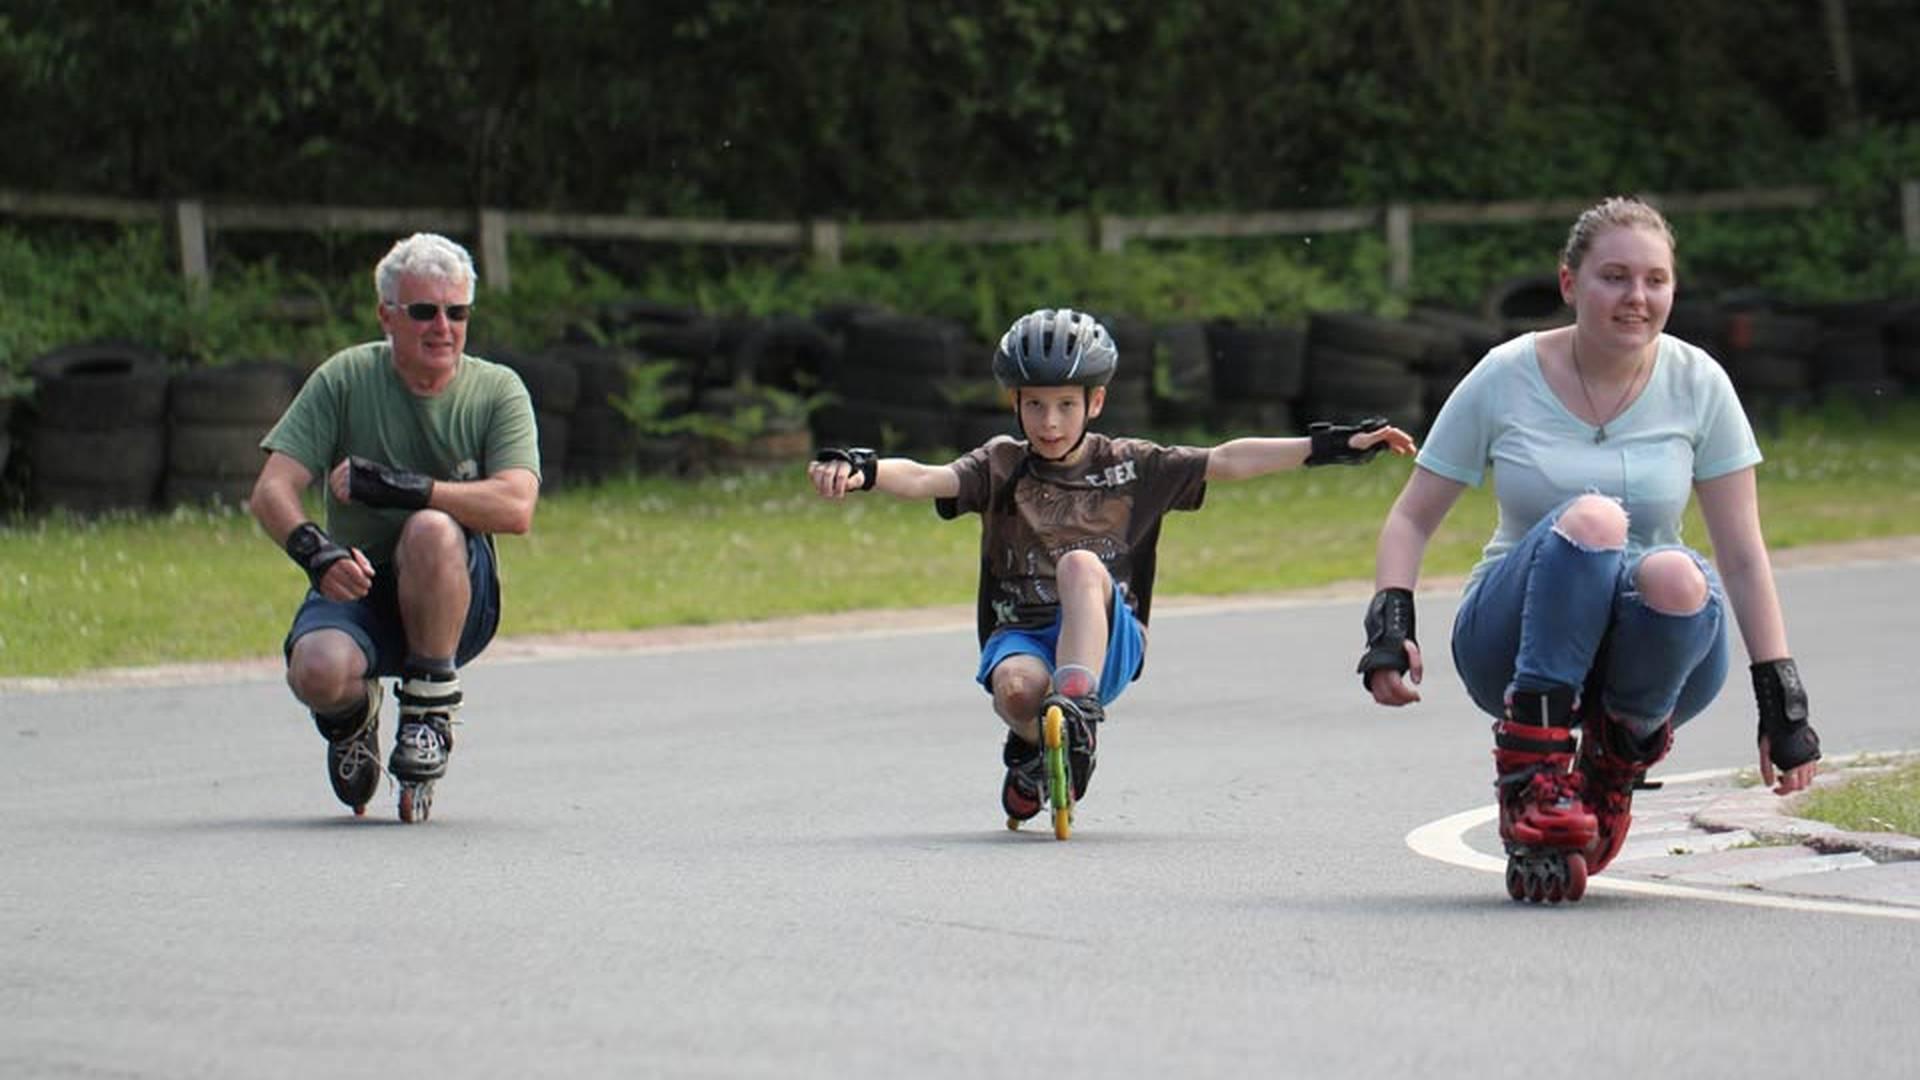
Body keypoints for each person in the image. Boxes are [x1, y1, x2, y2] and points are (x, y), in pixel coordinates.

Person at [1356, 197, 1822, 901]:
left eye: (1655, 280)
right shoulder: (1504, 374)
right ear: (1570, 284)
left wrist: (1782, 704)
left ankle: (1615, 764)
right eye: (1614, 277)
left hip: (1654, 653)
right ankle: (1532, 771)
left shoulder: (1700, 383)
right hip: (1511, 645)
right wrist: (1391, 626)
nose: (1637, 298)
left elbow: (1745, 555)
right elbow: (1412, 519)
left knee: (1673, 571)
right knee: (1597, 519)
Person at [811, 307, 1415, 827]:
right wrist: (863, 468)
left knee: (1080, 564)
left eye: (1066, 406)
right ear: (1015, 404)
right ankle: (1033, 751)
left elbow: (1227, 460)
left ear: (1095, 401)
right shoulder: (999, 465)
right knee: (1017, 691)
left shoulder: (1132, 465)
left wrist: (1331, 446)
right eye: (1036, 406)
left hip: (1109, 637)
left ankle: (1077, 713)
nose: (1050, 423)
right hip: (1021, 630)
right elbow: (925, 477)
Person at [249, 233, 540, 820]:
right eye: (424, 311)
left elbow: (516, 507)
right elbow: (271, 490)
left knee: (431, 528)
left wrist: (405, 488)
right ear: (387, 315)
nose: (443, 327)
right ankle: (353, 721)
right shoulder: (345, 379)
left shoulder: (497, 390)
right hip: (359, 582)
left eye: (457, 312)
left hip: (453, 591)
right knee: (315, 671)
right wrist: (317, 553)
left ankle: (428, 711)